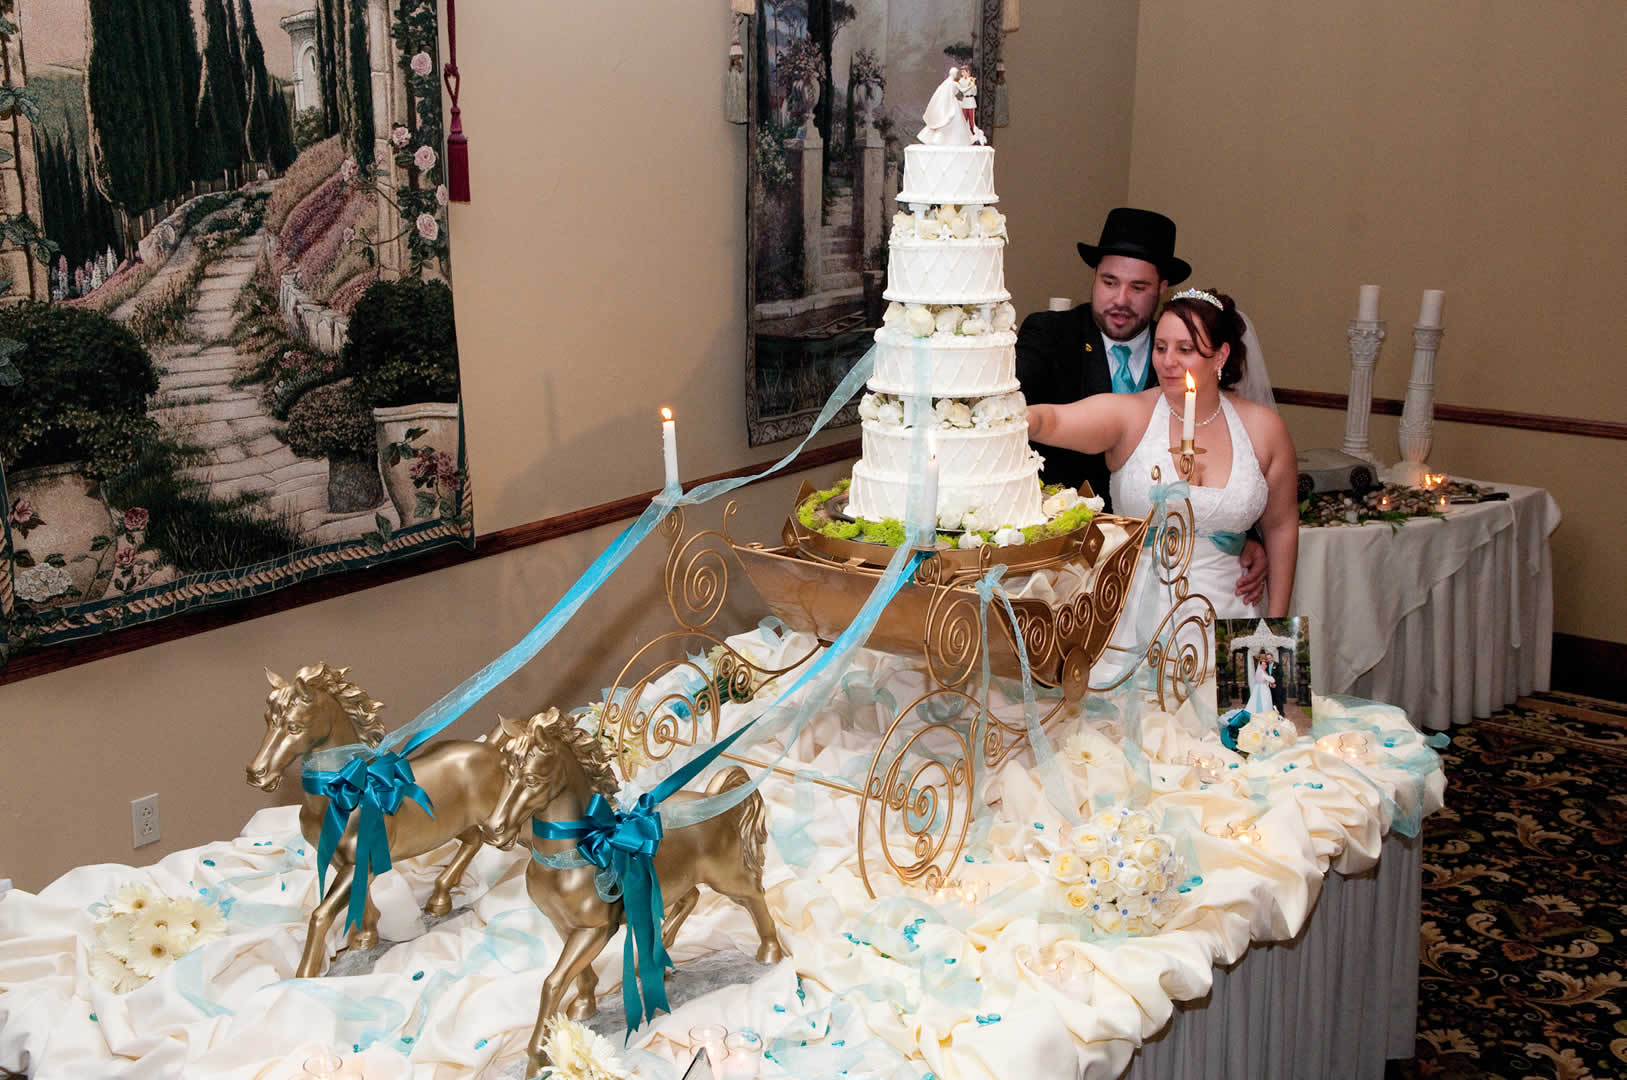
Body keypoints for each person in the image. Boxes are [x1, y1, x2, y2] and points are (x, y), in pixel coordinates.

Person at [1016, 208, 1267, 606]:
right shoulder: (1050, 335)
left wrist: (1238, 536)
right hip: (1063, 565)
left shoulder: (1182, 350)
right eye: (1109, 282)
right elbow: (1020, 406)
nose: (1120, 299)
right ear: (1094, 275)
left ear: (1162, 287)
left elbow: (1224, 446)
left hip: (1175, 572)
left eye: (1138, 287)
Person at [1026, 288, 1299, 619]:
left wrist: (1276, 625)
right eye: (1160, 347)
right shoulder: (1130, 416)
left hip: (1233, 616)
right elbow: (1052, 421)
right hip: (1136, 614)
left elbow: (1281, 527)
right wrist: (1012, 416)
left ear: (1221, 355)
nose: (1168, 361)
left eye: (1185, 349)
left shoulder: (1264, 428)